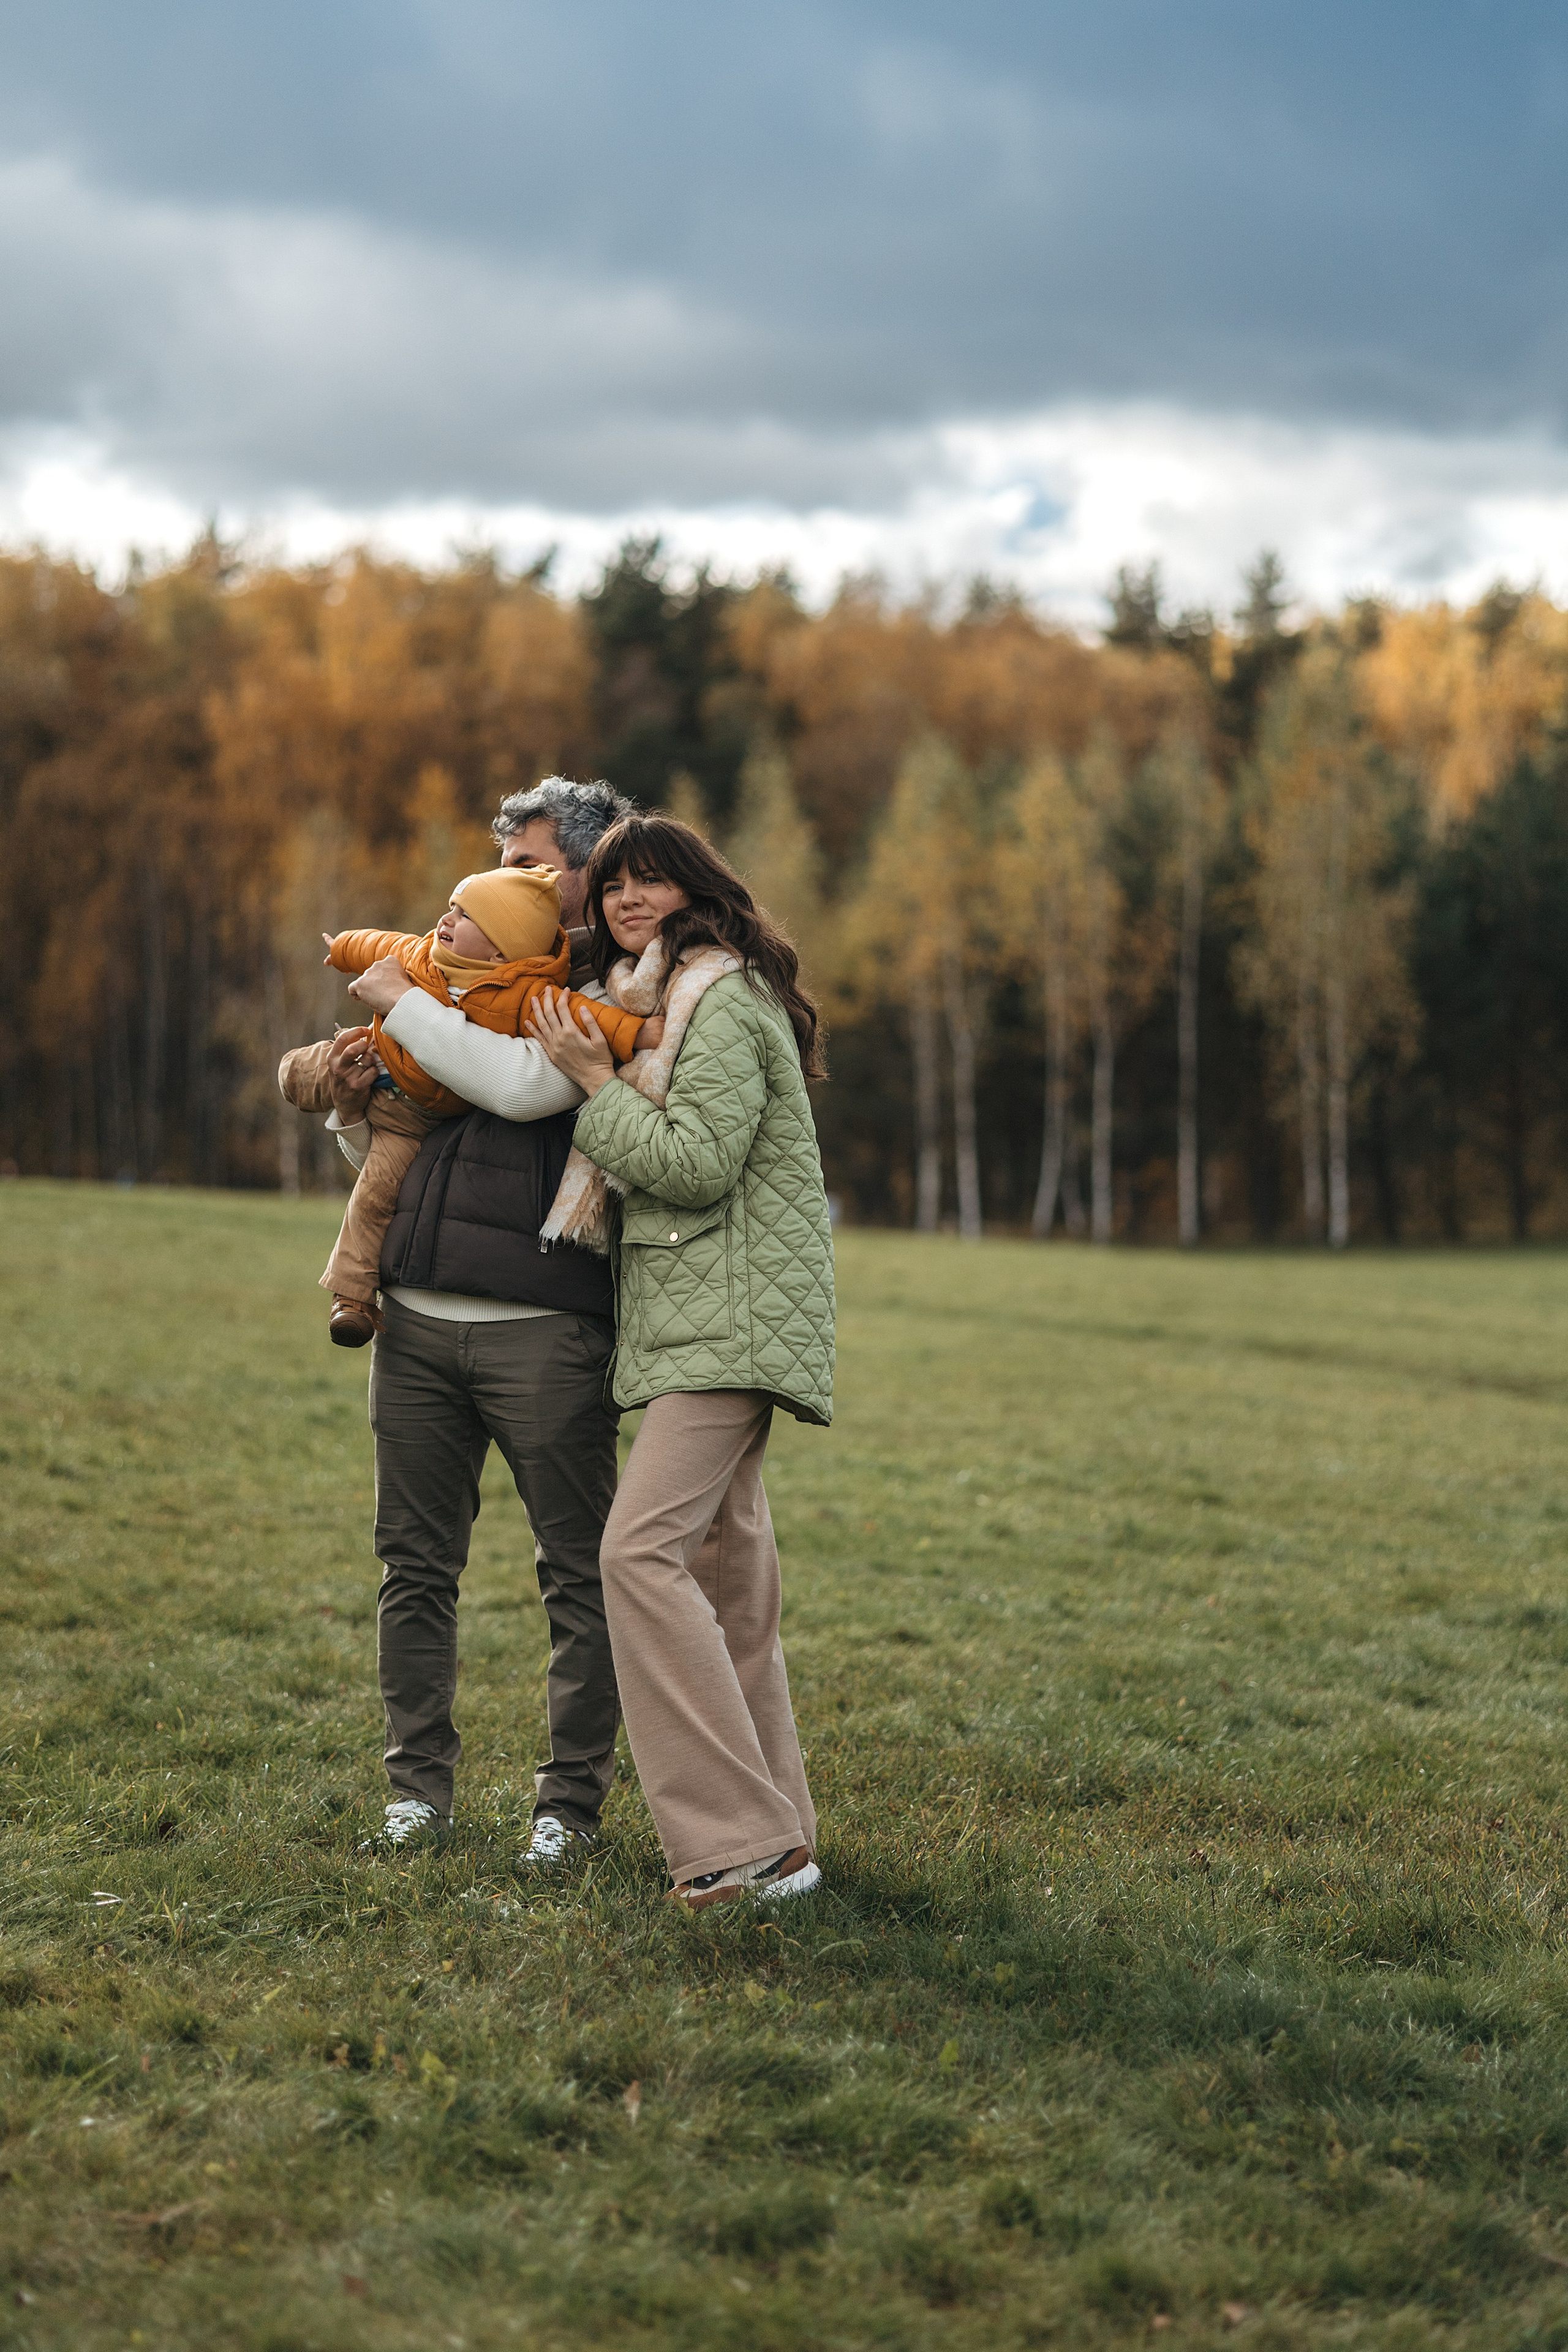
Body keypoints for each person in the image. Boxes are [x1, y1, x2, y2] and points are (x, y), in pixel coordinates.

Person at [524, 813, 835, 1909]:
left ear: (698, 890)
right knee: (723, 1583)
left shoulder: (717, 995)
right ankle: (781, 1838)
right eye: (612, 885)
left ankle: (737, 1846)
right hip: (707, 1318)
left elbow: (697, 1166)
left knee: (637, 1556)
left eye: (652, 881)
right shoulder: (675, 998)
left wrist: (589, 1083)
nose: (627, 900)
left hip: (731, 1322)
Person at [325, 777, 636, 1861]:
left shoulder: (610, 998)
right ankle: (417, 1793)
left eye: (537, 862)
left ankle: (568, 1810)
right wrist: (358, 1094)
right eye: (507, 863)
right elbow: (400, 1129)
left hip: (544, 1327)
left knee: (578, 1574)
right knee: (411, 1566)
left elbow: (513, 1088)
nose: (515, 879)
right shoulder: (453, 973)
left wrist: (405, 1005)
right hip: (413, 1316)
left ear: (593, 873)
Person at [278, 864, 650, 1346]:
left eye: (525, 864)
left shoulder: (554, 995)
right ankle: (293, 1076)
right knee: (308, 1071)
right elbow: (375, 944)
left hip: (529, 1316)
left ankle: (351, 1296)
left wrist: (642, 1033)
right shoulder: (424, 952)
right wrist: (342, 949)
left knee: (375, 1190)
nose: (447, 920)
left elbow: (518, 1085)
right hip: (414, 1294)